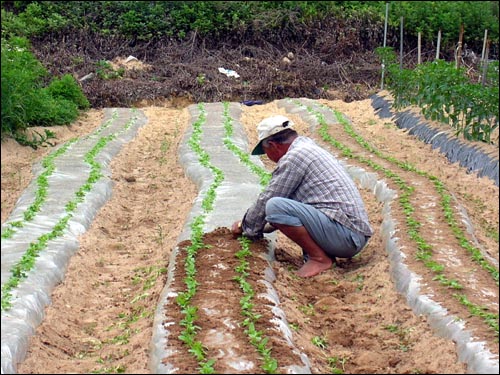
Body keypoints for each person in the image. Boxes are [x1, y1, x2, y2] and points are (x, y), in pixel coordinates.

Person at [231, 115, 373, 277]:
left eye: (265, 152)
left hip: (346, 236)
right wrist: (260, 225)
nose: (267, 156)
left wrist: (246, 226)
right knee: (279, 206)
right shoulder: (307, 148)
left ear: (273, 145)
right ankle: (321, 255)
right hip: (348, 232)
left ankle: (319, 258)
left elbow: (270, 198)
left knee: (274, 205)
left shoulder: (295, 157)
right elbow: (292, 209)